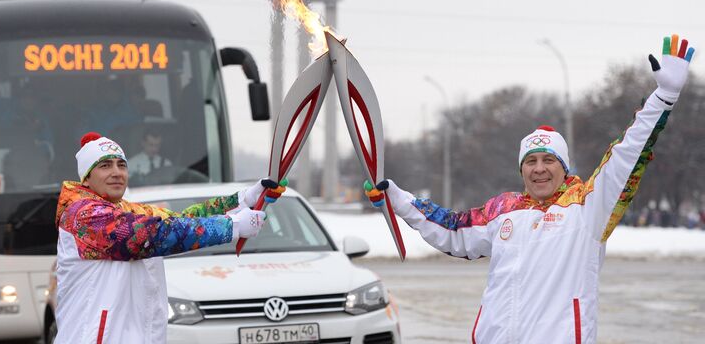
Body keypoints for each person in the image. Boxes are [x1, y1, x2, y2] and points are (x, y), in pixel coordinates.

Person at [365, 34, 694, 344]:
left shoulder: (589, 207)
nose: (539, 169)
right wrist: (396, 197)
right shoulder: (503, 209)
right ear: (521, 169)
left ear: (563, 168)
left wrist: (662, 99)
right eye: (531, 161)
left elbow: (626, 157)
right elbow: (452, 230)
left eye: (548, 160)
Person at [54, 131, 285, 344]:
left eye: (121, 165)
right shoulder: (83, 216)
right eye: (105, 165)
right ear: (86, 178)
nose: (116, 172)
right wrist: (233, 226)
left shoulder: (125, 210)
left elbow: (182, 219)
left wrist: (244, 199)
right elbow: (151, 236)